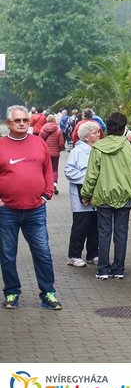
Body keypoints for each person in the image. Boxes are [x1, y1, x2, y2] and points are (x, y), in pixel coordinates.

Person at [0, 105, 62, 310]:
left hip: (36, 210)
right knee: (8, 253)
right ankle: (11, 293)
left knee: (42, 252)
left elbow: (48, 170)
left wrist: (47, 194)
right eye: (17, 120)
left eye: (25, 120)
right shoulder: (1, 145)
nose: (22, 124)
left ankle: (48, 294)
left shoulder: (39, 143)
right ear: (8, 123)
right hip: (7, 210)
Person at [81, 112, 131, 279]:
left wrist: (86, 193)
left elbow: (92, 175)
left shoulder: (98, 148)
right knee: (121, 233)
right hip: (125, 196)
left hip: (103, 196)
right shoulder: (130, 146)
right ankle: (118, 269)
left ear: (106, 129)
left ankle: (103, 269)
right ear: (124, 128)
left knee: (103, 233)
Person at [64, 121, 100, 267]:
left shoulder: (98, 150)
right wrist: (88, 177)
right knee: (81, 227)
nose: (99, 134)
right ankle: (74, 255)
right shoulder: (77, 151)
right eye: (95, 133)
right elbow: (69, 171)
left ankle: (93, 254)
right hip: (81, 196)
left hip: (96, 196)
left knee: (95, 227)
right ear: (86, 137)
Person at [39, 113, 65, 195]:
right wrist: (59, 150)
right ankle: (54, 185)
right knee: (54, 169)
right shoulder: (58, 130)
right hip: (55, 154)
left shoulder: (43, 129)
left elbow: (40, 141)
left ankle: (45, 186)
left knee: (45, 169)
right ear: (55, 120)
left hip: (45, 154)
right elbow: (61, 144)